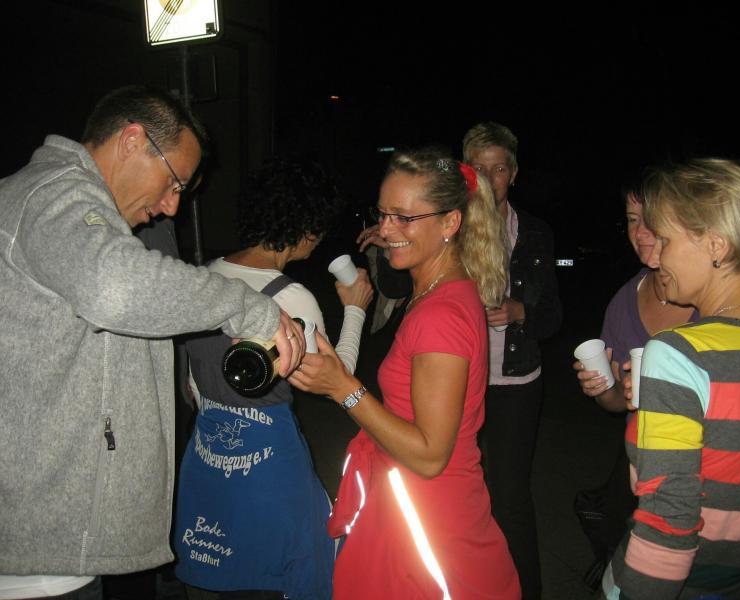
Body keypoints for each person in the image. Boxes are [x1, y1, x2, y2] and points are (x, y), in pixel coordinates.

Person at [0, 85, 304, 600]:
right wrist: (251, 306)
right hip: (43, 555)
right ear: (132, 141)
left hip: (44, 539)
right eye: (173, 182)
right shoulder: (56, 192)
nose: (171, 206)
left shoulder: (39, 197)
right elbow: (114, 287)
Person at [290, 148, 521, 599]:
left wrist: (343, 387)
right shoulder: (438, 290)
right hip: (407, 496)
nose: (386, 229)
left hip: (427, 513)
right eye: (383, 214)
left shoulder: (441, 315)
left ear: (450, 223)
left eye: (404, 218)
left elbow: (431, 455)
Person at [171, 156, 373, 600]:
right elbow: (336, 378)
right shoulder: (291, 296)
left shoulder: (203, 277)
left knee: (217, 571)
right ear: (306, 230)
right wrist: (355, 307)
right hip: (271, 475)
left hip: (206, 458)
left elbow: (191, 385)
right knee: (283, 571)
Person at [602, 158, 740, 599]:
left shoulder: (676, 354)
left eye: (666, 239)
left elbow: (668, 512)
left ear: (715, 246)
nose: (657, 254)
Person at [462, 121, 562, 599]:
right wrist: (392, 242)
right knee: (457, 490)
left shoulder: (535, 233)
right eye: (478, 168)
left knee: (511, 497)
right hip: (459, 379)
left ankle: (525, 591)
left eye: (498, 169)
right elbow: (401, 291)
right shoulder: (446, 226)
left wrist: (521, 312)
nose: (488, 178)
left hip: (517, 382)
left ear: (514, 174)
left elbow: (554, 316)